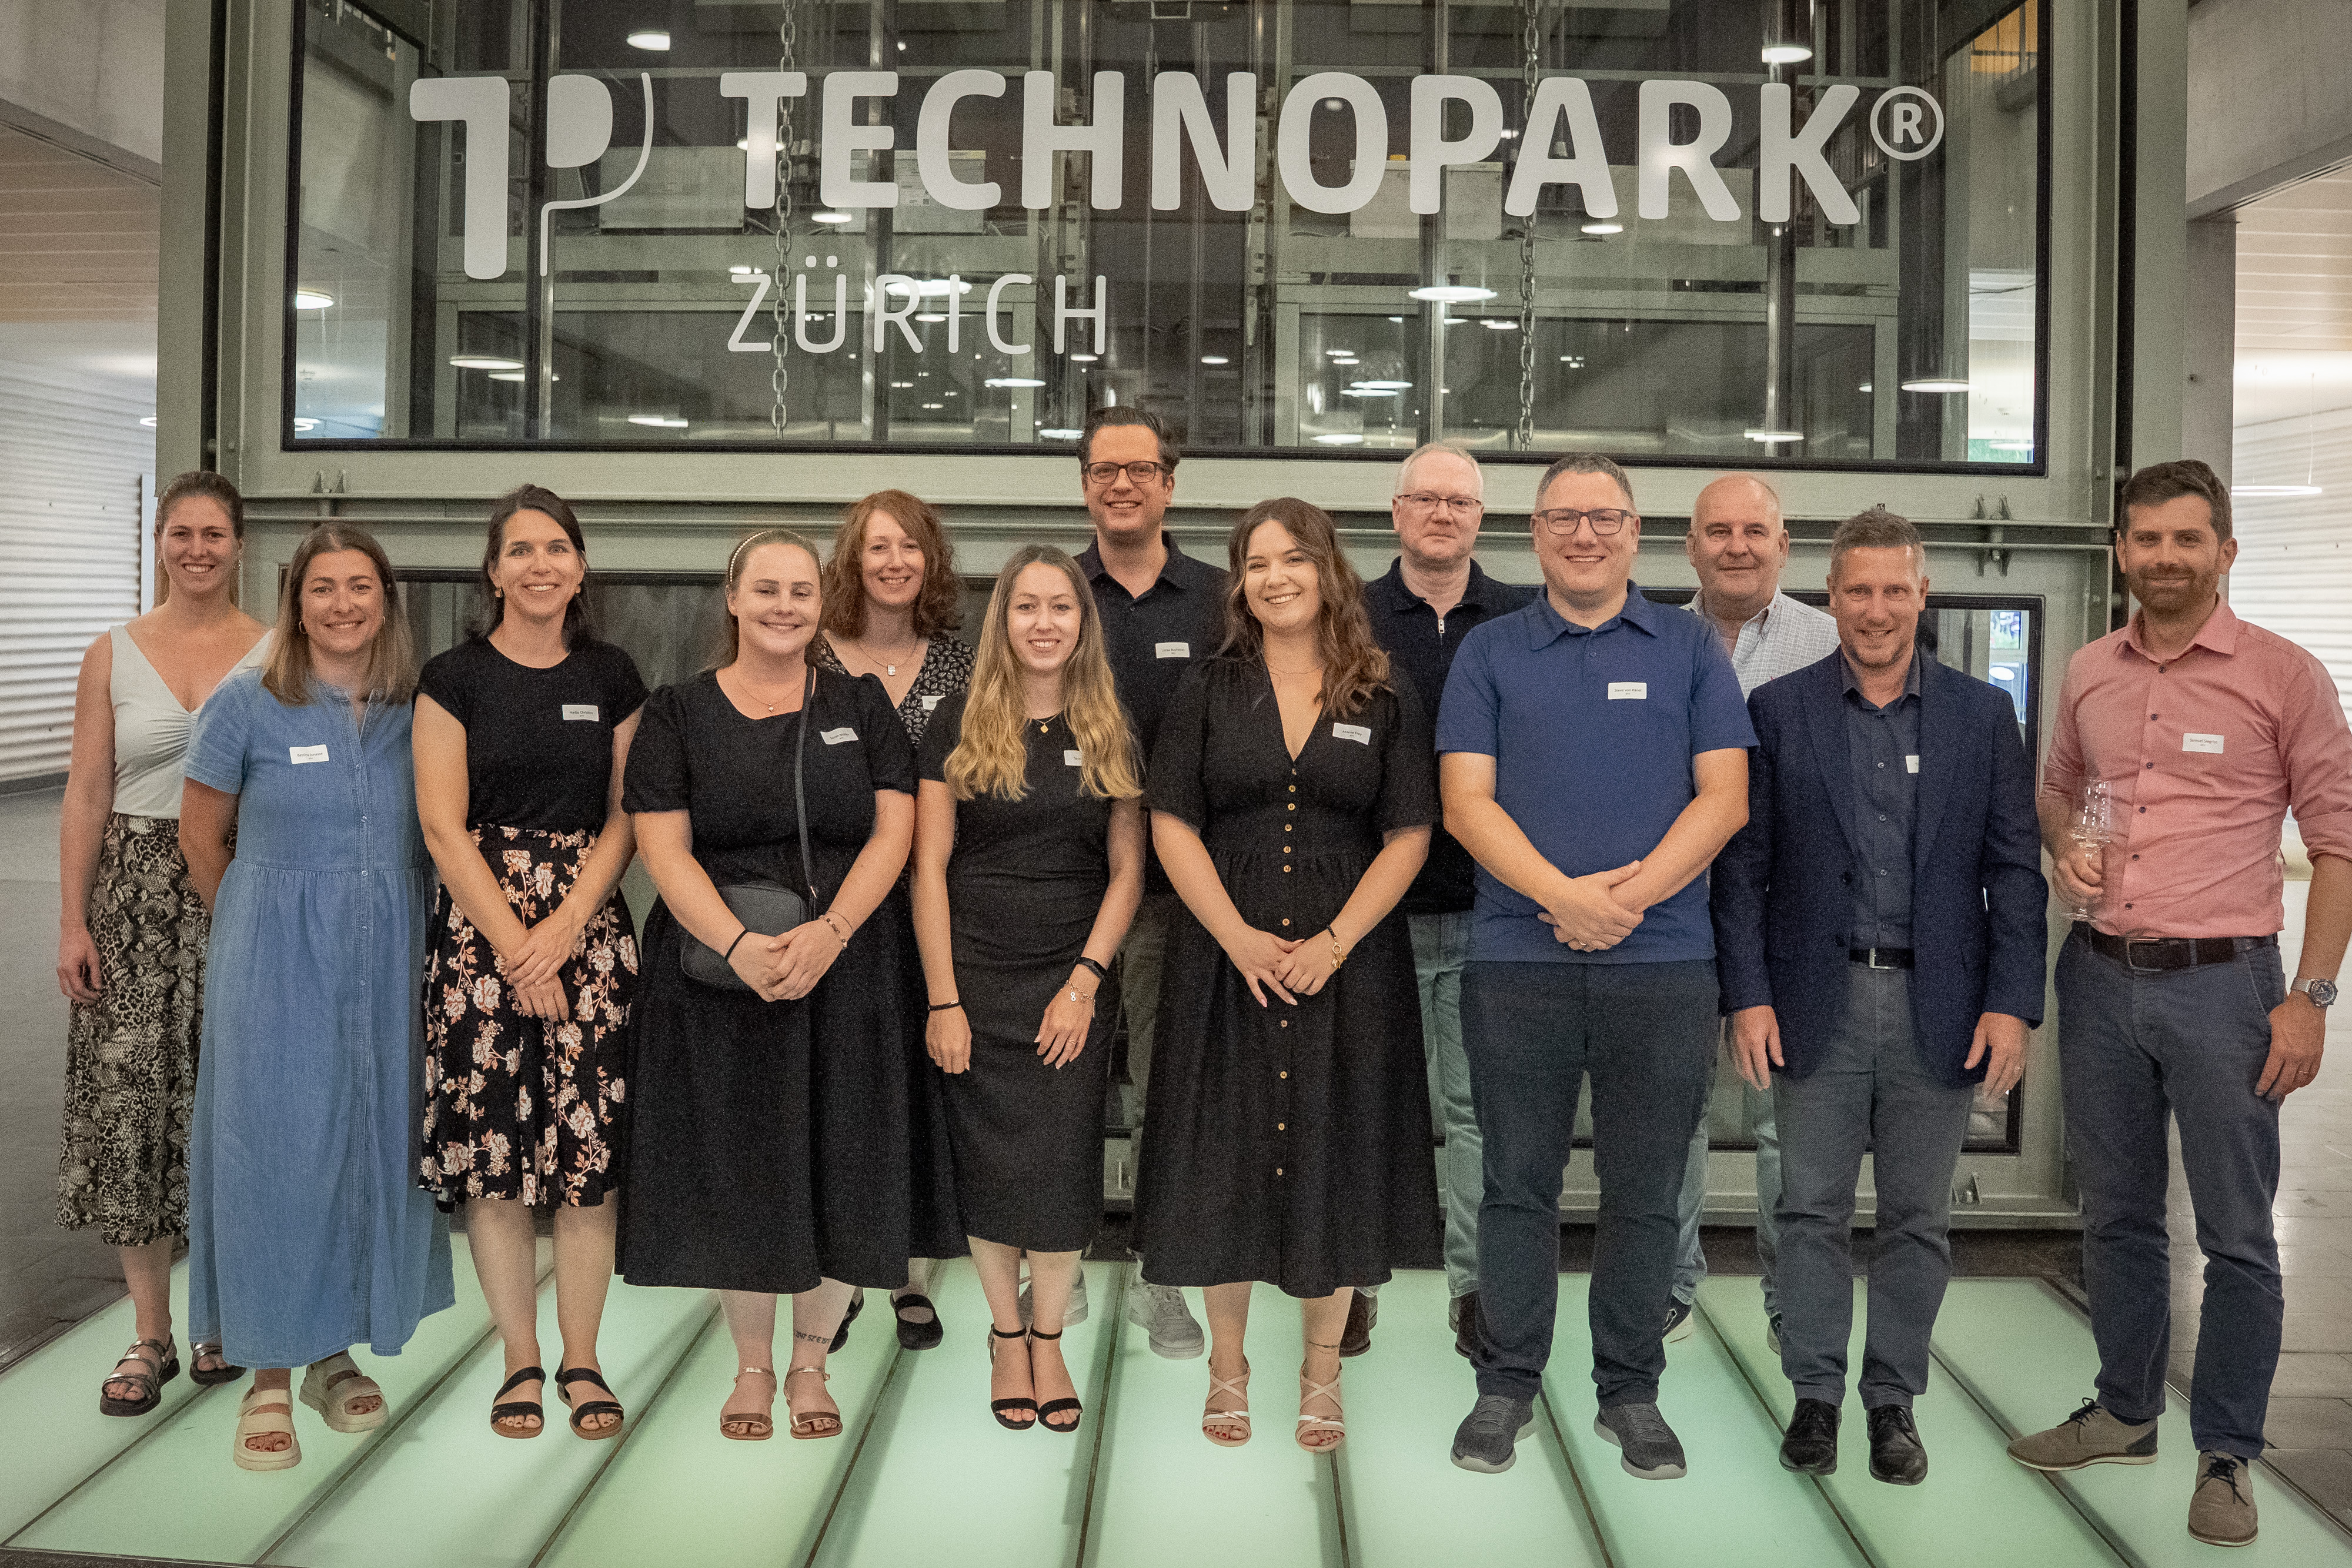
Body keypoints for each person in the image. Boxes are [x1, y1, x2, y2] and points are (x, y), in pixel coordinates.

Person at [2006, 460, 2352, 1548]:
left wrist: (2312, 997)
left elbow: (2338, 845)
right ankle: (2124, 1411)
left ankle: (2229, 1455)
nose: (2165, 557)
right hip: (2100, 976)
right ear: (2121, 551)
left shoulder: (2285, 676)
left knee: (2238, 1232)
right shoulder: (2089, 670)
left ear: (2225, 551)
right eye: (2147, 538)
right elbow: (2057, 788)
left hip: (2226, 987)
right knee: (2114, 1214)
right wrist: (2066, 844)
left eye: (2187, 539)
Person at [1712, 507, 2046, 1486]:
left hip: (1940, 1008)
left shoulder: (1983, 715)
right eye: (1858, 590)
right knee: (1809, 1210)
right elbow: (1744, 871)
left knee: (1916, 1219)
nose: (1876, 609)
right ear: (1831, 597)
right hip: (1812, 1002)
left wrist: (2011, 1003)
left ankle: (1892, 1400)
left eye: (1895, 589)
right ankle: (1815, 1395)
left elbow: (2014, 871)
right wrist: (1747, 995)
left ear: (1922, 594)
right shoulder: (1780, 711)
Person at [1439, 453, 1751, 1482]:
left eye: (1604, 518)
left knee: (1647, 1189)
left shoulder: (1691, 648)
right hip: (1517, 960)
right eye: (1564, 518)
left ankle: (1630, 1391)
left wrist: (1626, 901)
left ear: (1634, 533)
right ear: (1534, 534)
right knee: (1515, 1184)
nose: (1585, 535)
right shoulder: (1490, 651)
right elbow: (1466, 803)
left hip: (1662, 964)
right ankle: (1506, 1383)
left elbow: (1725, 799)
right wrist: (1564, 899)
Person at [1138, 497, 1439, 1454]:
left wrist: (1336, 942)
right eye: (1256, 563)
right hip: (1224, 961)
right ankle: (1228, 1370)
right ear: (1240, 584)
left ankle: (1321, 1372)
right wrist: (1234, 936)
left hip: (1347, 966)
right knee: (1222, 1157)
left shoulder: (1382, 691)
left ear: (1327, 570)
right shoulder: (1208, 688)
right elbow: (1171, 821)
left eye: (1293, 559)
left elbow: (1410, 833)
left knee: (1336, 1151)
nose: (1275, 578)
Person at [617, 529, 920, 1443]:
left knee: (840, 1160)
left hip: (847, 964)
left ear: (821, 605)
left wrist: (833, 932)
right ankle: (752, 1364)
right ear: (734, 599)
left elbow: (895, 832)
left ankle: (811, 1361)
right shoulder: (678, 712)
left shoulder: (861, 704)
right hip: (721, 976)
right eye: (768, 590)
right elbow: (662, 845)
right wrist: (740, 945)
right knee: (743, 1165)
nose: (785, 607)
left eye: (801, 591)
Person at [181, 523, 454, 1471]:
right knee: (276, 1149)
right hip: (275, 956)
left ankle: (333, 1353)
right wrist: (260, 929)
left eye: (360, 586)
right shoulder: (246, 703)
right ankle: (267, 1369)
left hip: (392, 957)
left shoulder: (419, 710)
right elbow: (201, 838)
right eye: (323, 588)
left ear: (386, 600)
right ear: (296, 604)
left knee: (370, 1141)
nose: (343, 604)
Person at [413, 486, 647, 1440]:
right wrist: (519, 947)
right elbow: (442, 826)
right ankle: (519, 1356)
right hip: (482, 939)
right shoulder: (453, 677)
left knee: (588, 1161)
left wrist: (564, 930)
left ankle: (582, 1358)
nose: (540, 565)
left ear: (580, 568)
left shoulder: (614, 674)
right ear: (494, 571)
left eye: (556, 548)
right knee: (496, 1162)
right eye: (520, 550)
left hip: (587, 934)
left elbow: (630, 815)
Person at [911, 546, 1146, 1435]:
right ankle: (1005, 1334)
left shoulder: (1111, 725)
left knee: (1060, 1162)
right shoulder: (956, 722)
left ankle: (1049, 1337)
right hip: (974, 974)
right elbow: (929, 869)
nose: (1044, 623)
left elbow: (1128, 873)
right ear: (1001, 620)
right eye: (1026, 606)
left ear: (1083, 623)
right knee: (987, 1163)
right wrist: (943, 999)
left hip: (1071, 974)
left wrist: (1085, 982)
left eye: (1061, 607)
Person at [56, 470, 269, 1416]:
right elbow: (87, 792)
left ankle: (221, 1314)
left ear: (239, 545)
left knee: (232, 1105)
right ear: (158, 543)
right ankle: (151, 1331)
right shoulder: (112, 653)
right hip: (132, 904)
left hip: (241, 884)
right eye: (181, 533)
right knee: (130, 1109)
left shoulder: (276, 652)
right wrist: (73, 921)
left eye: (214, 533)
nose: (197, 549)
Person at [1358, 440, 1532, 1360]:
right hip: (1367, 915)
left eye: (1458, 502)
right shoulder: (1347, 615)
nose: (1441, 514)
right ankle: (1350, 1283)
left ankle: (1473, 1290)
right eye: (1425, 499)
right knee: (1360, 1108)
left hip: (1486, 911)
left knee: (1475, 1115)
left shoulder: (1520, 619)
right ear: (1396, 512)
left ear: (1480, 517)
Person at [1668, 474, 1842, 1350]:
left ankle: (1792, 1303)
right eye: (1718, 531)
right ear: (1690, 547)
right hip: (1672, 917)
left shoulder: (1833, 642)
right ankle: (1668, 1291)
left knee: (1788, 1128)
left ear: (1784, 544)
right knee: (1674, 1115)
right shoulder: (1654, 640)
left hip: (1788, 926)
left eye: (1754, 530)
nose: (1737, 546)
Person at [1072, 404, 1227, 1358]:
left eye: (1141, 469)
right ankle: (1059, 1258)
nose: (1123, 484)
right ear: (1084, 485)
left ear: (1170, 483)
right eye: (1105, 470)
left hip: (1177, 893)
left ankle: (1159, 1273)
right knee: (1061, 1082)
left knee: (1166, 1085)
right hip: (1061, 887)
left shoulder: (1218, 599)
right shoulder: (1053, 593)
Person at [813, 489, 973, 1352]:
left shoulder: (963, 665)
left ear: (931, 561)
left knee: (917, 1093)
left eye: (911, 547)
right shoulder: (810, 653)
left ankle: (905, 1269)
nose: (895, 561)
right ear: (852, 560)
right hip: (836, 906)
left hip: (936, 907)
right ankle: (835, 1275)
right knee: (845, 1093)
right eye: (878, 547)